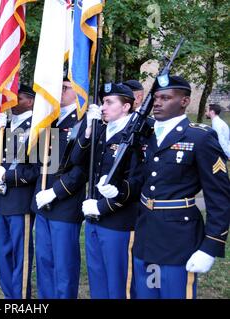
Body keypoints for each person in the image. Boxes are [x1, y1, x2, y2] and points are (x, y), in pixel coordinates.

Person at [98, 75, 230, 299]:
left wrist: (211, 246)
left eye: (166, 98)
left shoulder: (200, 138)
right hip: (146, 234)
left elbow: (220, 198)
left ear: (185, 101)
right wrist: (118, 190)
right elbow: (142, 180)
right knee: (146, 293)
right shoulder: (146, 136)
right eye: (156, 97)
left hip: (178, 239)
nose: (157, 103)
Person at [81, 83, 143, 299]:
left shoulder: (136, 134)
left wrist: (100, 207)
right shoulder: (102, 130)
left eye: (109, 102)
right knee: (98, 279)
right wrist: (88, 130)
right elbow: (76, 163)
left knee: (118, 284)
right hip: (94, 218)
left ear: (126, 107)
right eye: (103, 101)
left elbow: (135, 182)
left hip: (119, 221)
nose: (103, 107)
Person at [31, 77, 90, 299]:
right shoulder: (49, 120)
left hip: (65, 202)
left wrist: (55, 192)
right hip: (42, 201)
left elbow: (81, 169)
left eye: (65, 88)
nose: (59, 92)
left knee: (64, 264)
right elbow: (40, 161)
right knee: (44, 261)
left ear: (78, 92)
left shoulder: (83, 123)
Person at [0, 84, 38, 299]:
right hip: (0, 199)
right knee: (2, 252)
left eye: (17, 97)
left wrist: (7, 176)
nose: (11, 101)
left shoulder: (38, 127)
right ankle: (10, 295)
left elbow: (37, 170)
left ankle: (21, 297)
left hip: (20, 200)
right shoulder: (6, 125)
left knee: (21, 254)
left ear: (31, 101)